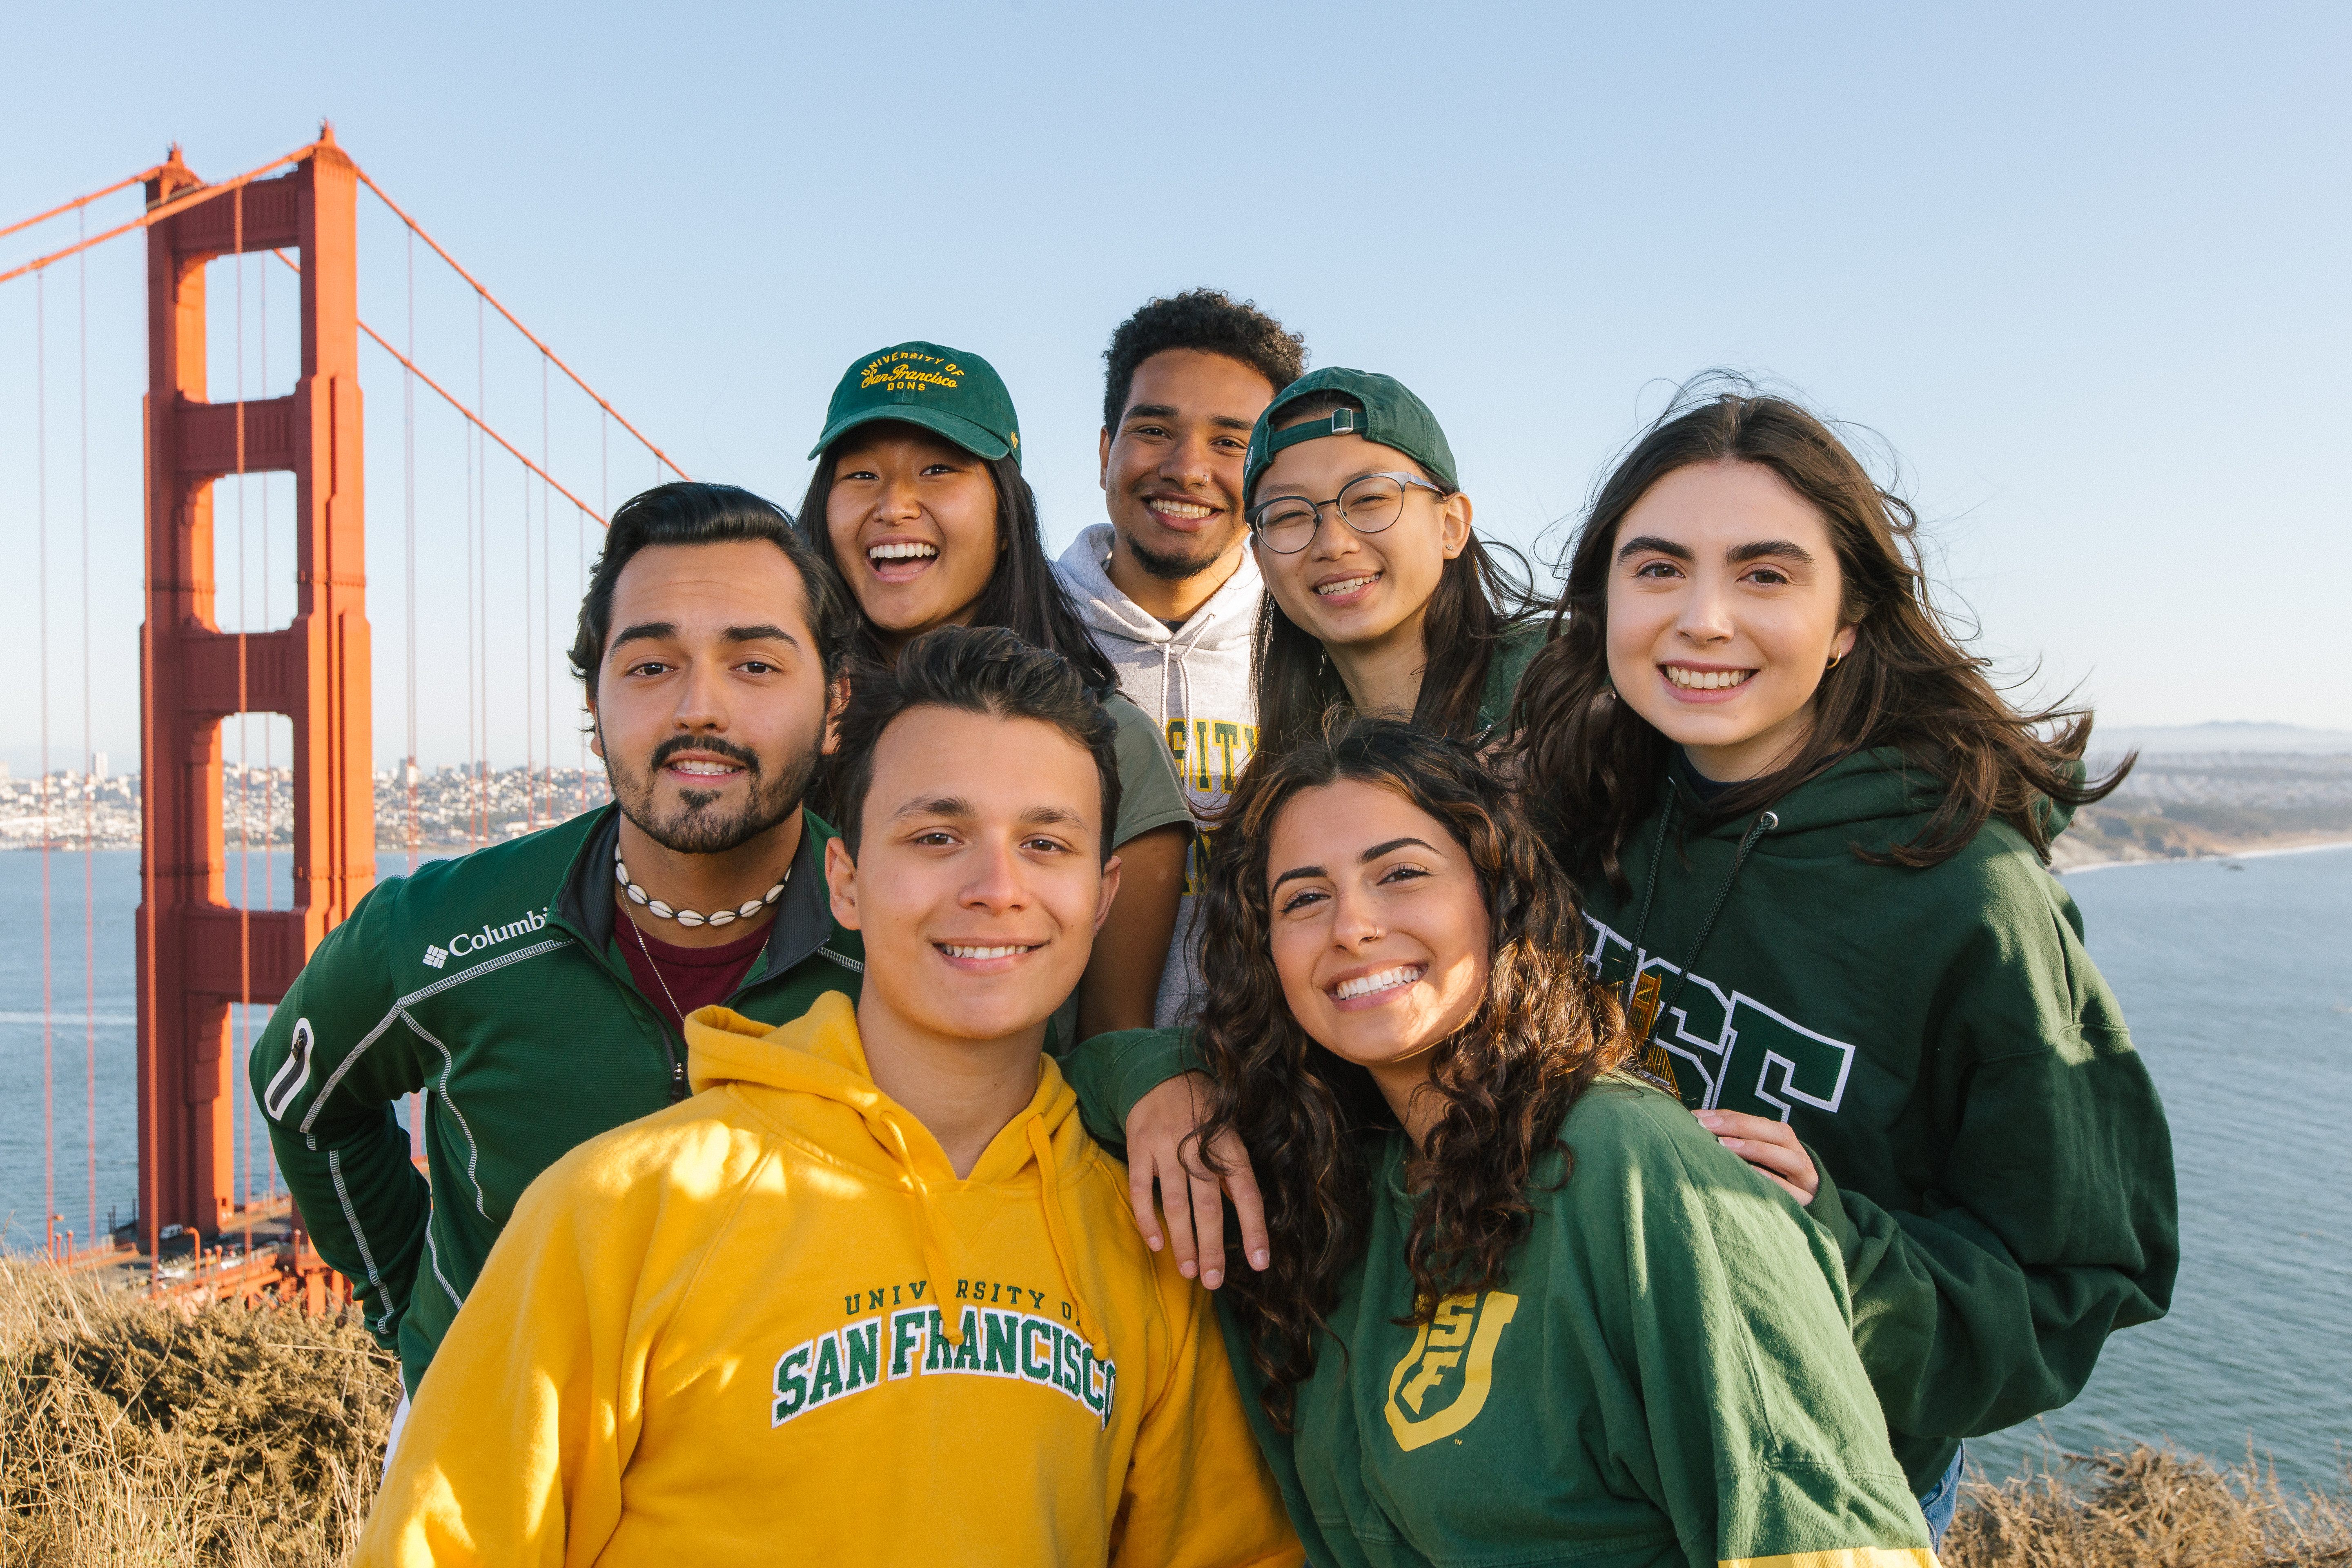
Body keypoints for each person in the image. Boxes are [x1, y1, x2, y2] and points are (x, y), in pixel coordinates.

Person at [357, 628, 1302, 1568]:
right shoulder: (620, 1210)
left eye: (1043, 842)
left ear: (1100, 897)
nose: (995, 887)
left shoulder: (1146, 1237)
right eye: (936, 836)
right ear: (844, 880)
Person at [1508, 385, 2178, 1548]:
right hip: (1569, 1449)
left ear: (1850, 618)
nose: (1703, 619)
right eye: (1658, 569)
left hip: (1807, 1491)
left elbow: (2079, 1281)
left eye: (1766, 575)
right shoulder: (1584, 803)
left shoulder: (1970, 898)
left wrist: (1834, 1248)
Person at [1190, 717, 1937, 1568]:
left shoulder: (1639, 1169)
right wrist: (1150, 1084)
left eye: (1401, 874)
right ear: (1268, 953)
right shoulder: (1337, 1193)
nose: (1352, 927)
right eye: (1304, 898)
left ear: (1498, 897)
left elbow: (1830, 1542)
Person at [250, 481, 871, 1446]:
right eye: (651, 664)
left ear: (834, 704)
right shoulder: (434, 932)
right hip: (486, 1451)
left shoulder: (898, 950)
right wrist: (421, 1313)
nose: (698, 706)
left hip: (795, 1469)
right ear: (593, 705)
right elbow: (301, 1092)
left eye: (753, 663)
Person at [795, 340, 1192, 1043]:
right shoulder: (780, 732)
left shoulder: (1116, 742)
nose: (894, 505)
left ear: (1006, 518)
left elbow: (1114, 1047)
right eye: (860, 475)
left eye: (938, 470)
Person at [1056, 288, 1307, 1027]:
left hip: (1268, 1102)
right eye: (1155, 429)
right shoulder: (1021, 629)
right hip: (1051, 1100)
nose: (1188, 468)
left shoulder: (1310, 646)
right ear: (1106, 452)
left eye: (1231, 443)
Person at [1243, 368, 1546, 764]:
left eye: (1369, 499)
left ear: (1451, 526)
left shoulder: (1565, 685)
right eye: (1288, 516)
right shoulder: (1290, 770)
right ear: (1261, 561)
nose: (1333, 544)